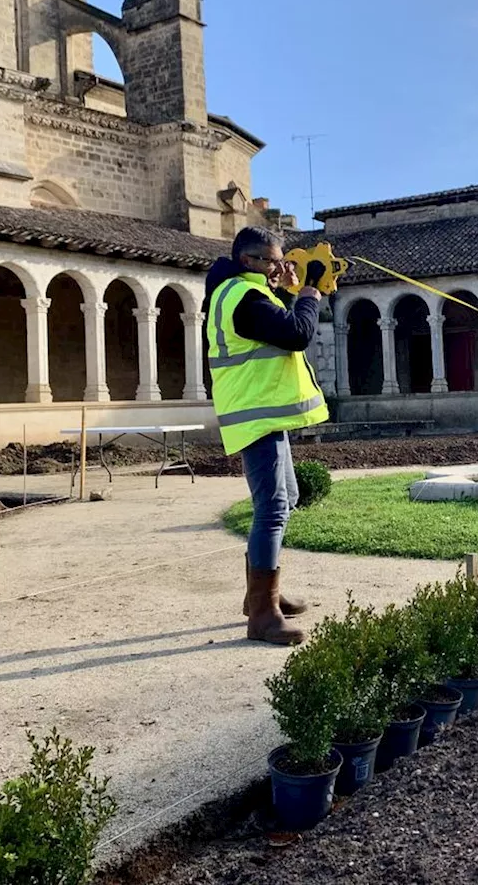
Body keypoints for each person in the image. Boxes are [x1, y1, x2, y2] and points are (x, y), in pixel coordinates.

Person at [202, 226, 330, 645]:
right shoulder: (245, 296)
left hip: (259, 412)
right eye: (274, 261)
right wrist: (311, 292)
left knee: (286, 498)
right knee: (273, 509)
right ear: (248, 261)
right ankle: (262, 614)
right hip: (255, 415)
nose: (280, 268)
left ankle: (259, 596)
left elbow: (280, 327)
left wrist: (293, 295)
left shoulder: (242, 293)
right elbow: (296, 334)